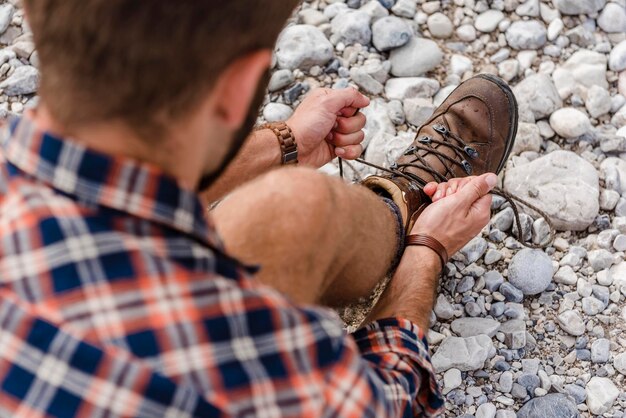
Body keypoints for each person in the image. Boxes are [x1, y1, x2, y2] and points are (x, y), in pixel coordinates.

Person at [0, 1, 517, 417]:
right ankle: (410, 220)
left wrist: (286, 143)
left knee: (291, 208)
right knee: (302, 212)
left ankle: (394, 204)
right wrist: (429, 251)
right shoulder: (219, 380)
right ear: (241, 84)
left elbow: (109, 181)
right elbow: (386, 399)